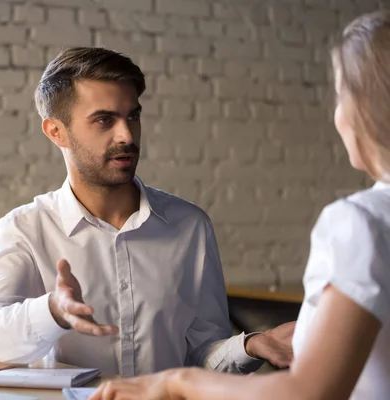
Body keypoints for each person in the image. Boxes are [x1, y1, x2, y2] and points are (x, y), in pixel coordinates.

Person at [90, 10, 390, 400]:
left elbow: (309, 393)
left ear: (366, 107)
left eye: (340, 95)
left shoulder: (359, 222)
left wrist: (175, 382)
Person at [0, 47, 294, 377]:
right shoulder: (25, 229)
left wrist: (248, 346)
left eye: (132, 116)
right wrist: (53, 312)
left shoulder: (190, 226)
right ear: (56, 132)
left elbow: (202, 354)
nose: (127, 135)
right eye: (104, 120)